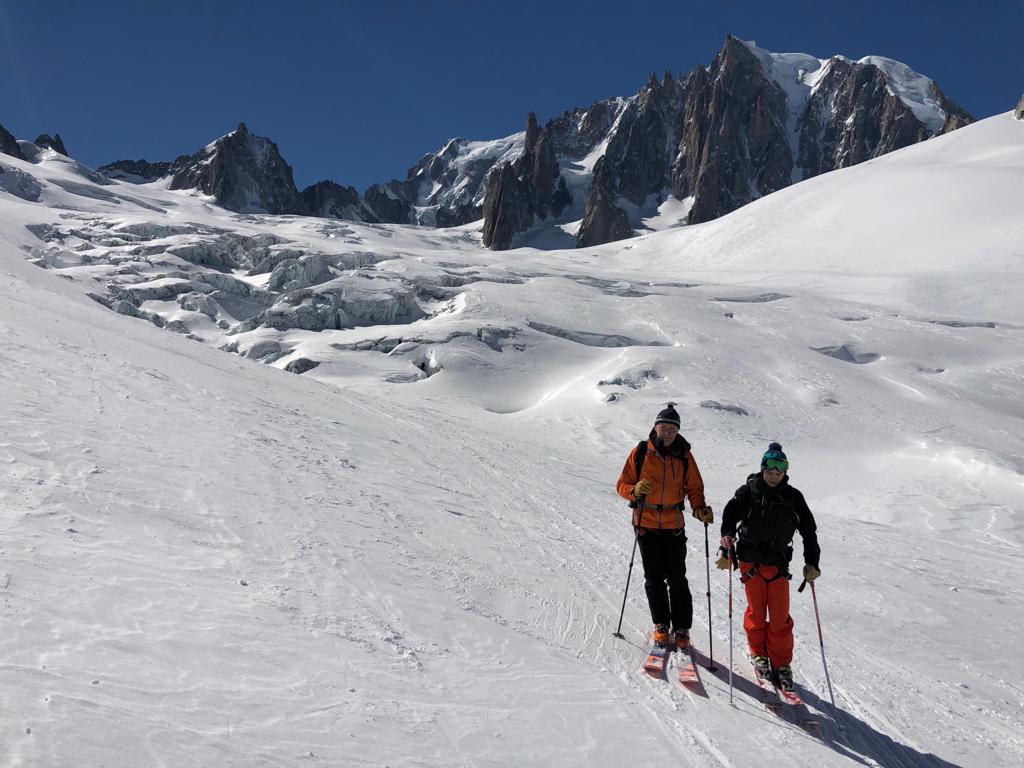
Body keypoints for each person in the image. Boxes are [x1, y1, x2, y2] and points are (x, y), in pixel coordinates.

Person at [716, 442, 820, 690]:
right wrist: (725, 547)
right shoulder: (748, 491)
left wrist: (812, 562)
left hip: (778, 564)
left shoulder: (793, 497)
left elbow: (809, 530)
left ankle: (781, 663)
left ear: (785, 473)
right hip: (750, 561)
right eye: (770, 472)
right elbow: (729, 517)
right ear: (763, 470)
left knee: (780, 618)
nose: (774, 477)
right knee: (756, 612)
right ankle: (759, 654)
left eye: (779, 472)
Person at [616, 403, 714, 650]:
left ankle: (681, 628)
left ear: (677, 431)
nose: (668, 432)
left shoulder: (684, 456)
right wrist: (634, 491)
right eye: (664, 427)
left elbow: (694, 487)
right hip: (646, 525)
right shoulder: (640, 453)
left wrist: (698, 507)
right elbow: (622, 484)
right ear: (655, 427)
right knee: (654, 579)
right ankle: (661, 624)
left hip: (673, 526)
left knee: (678, 579)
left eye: (672, 428)